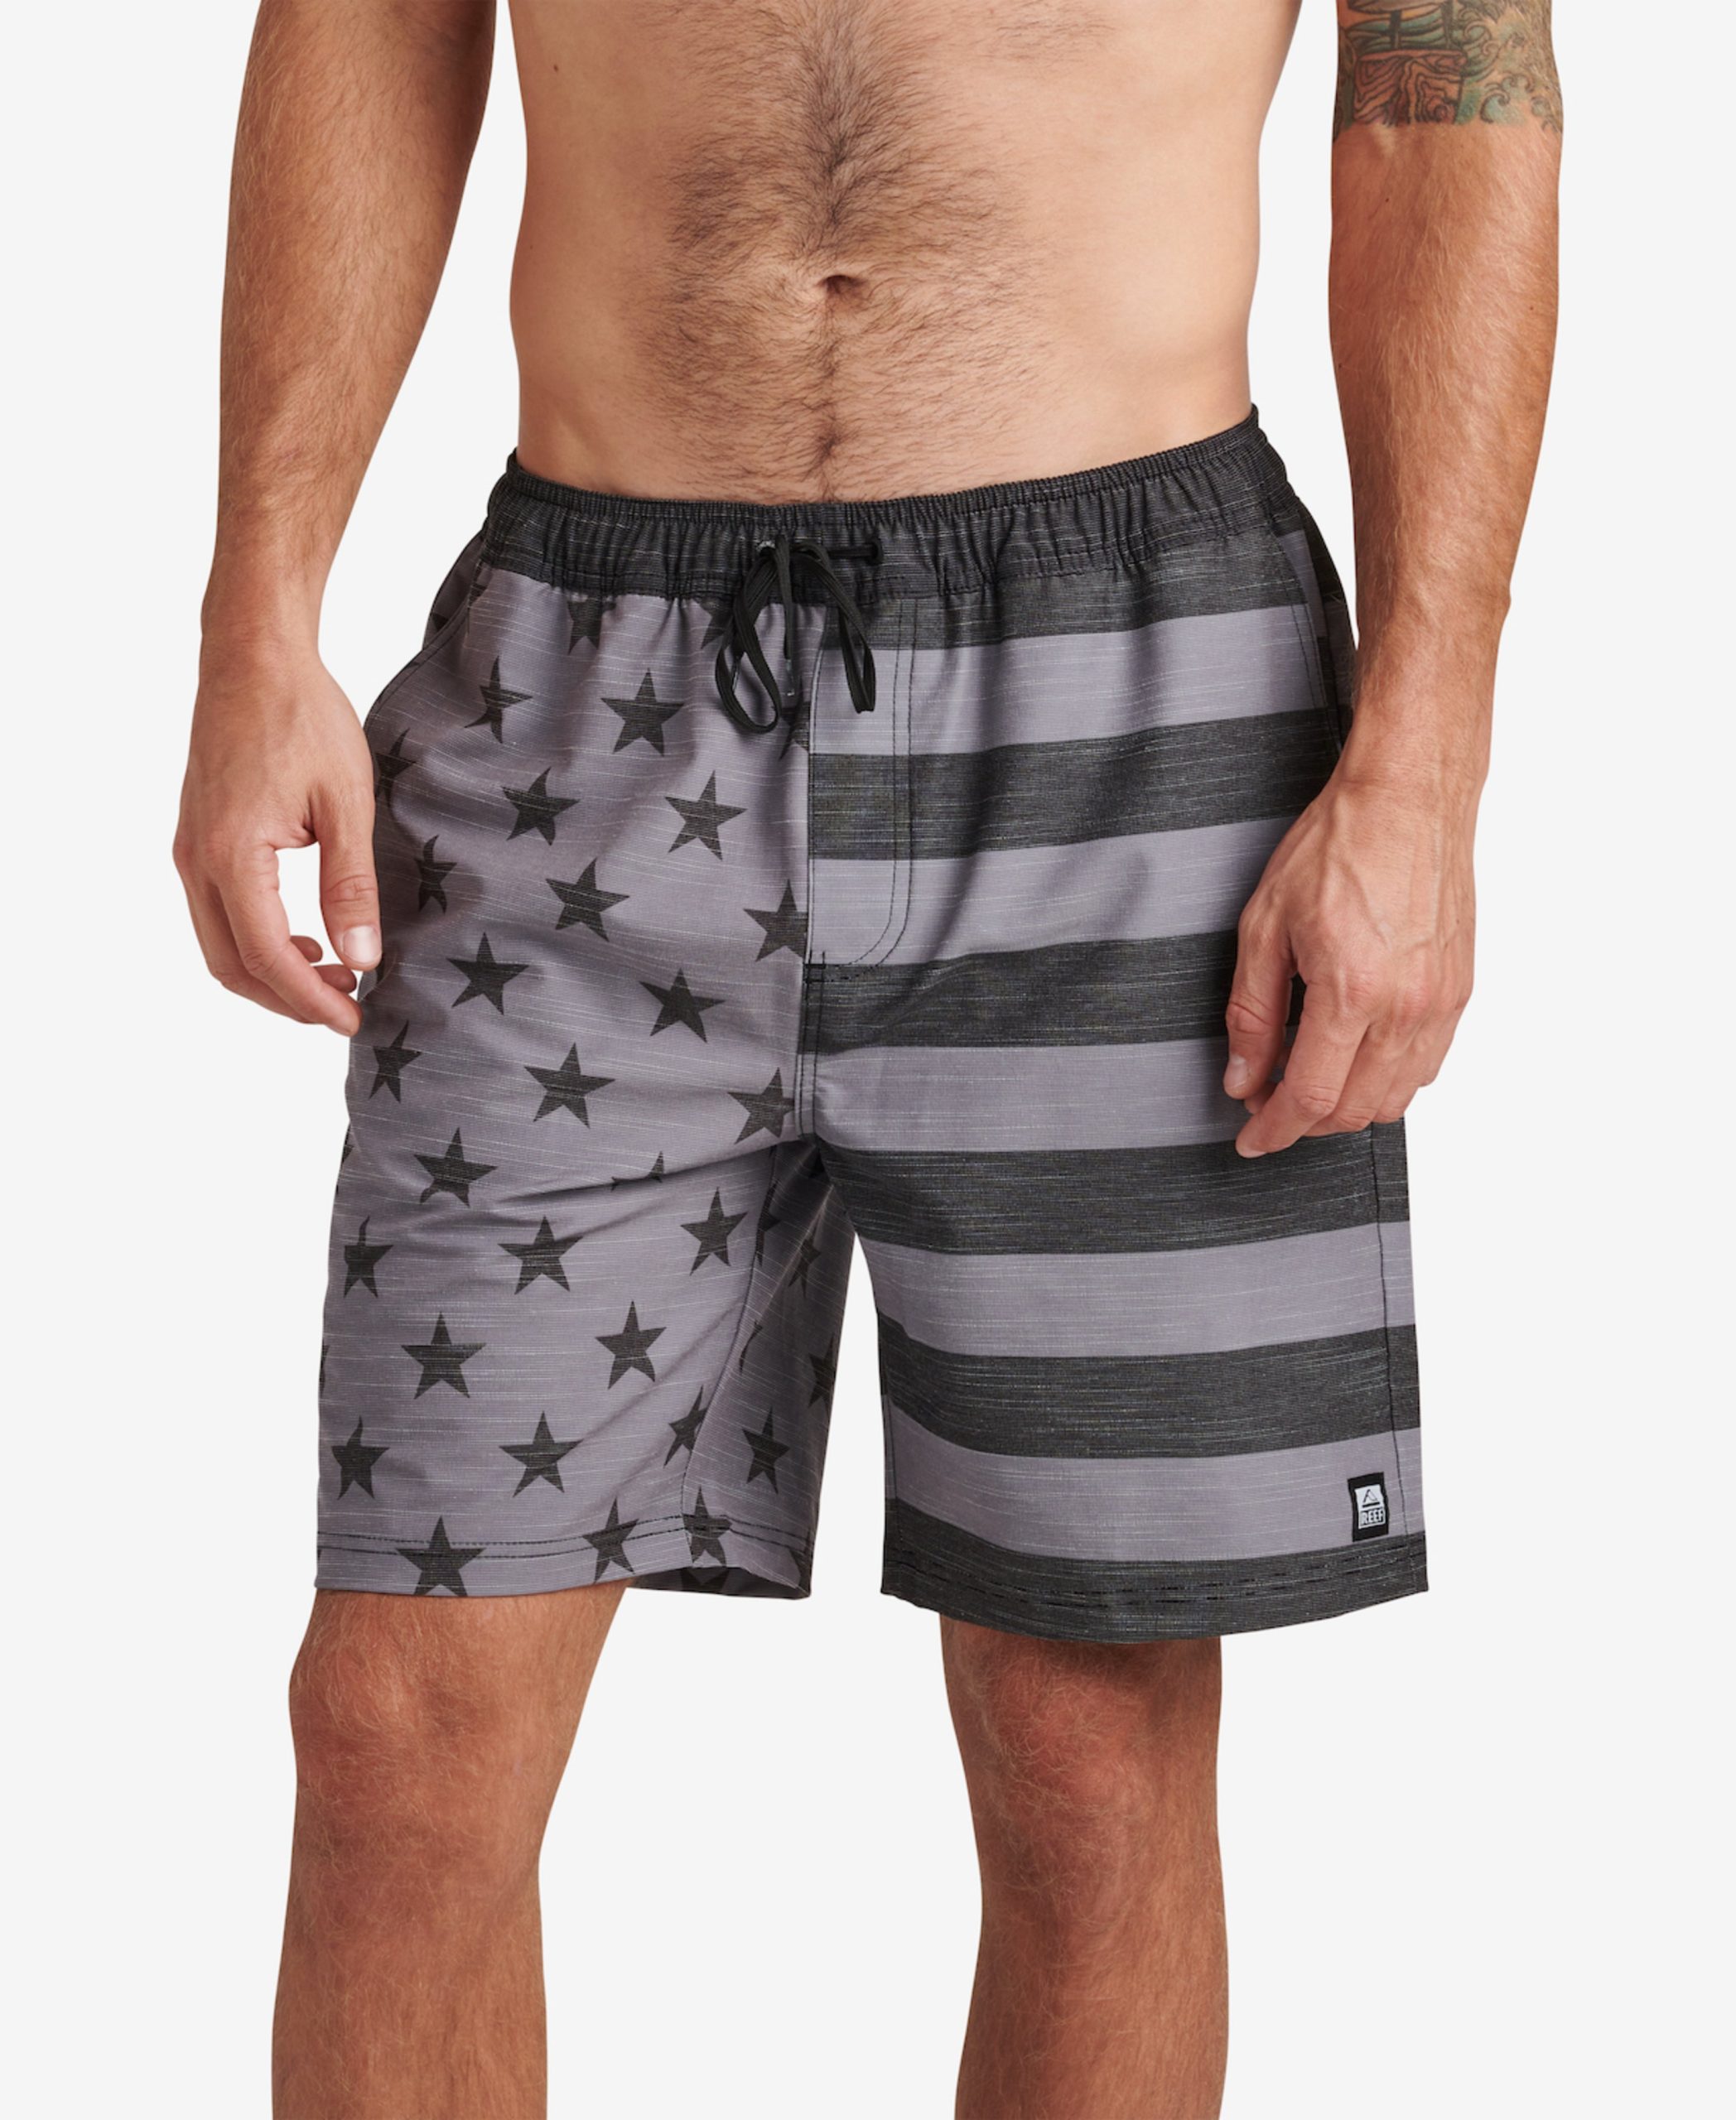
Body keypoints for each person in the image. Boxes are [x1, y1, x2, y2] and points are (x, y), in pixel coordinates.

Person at [174, 2, 1560, 2113]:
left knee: (1089, 1744)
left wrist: (1425, 760)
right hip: (582, 670)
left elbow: (1440, 77)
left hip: (1133, 695)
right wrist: (255, 611)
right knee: (397, 1732)